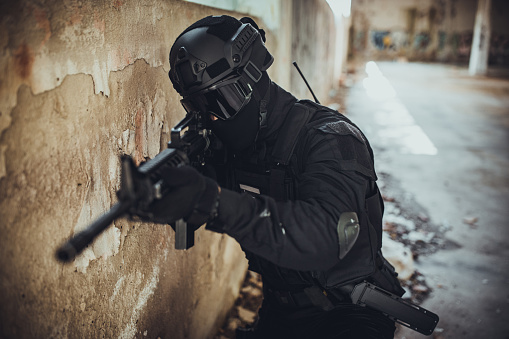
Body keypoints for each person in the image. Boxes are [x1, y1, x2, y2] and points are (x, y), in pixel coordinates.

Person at [153, 15, 405, 338]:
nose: (213, 118)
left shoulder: (332, 140)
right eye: (200, 108)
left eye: (221, 102)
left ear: (255, 81)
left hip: (351, 312)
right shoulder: (227, 146)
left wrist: (214, 202)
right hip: (282, 311)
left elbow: (328, 237)